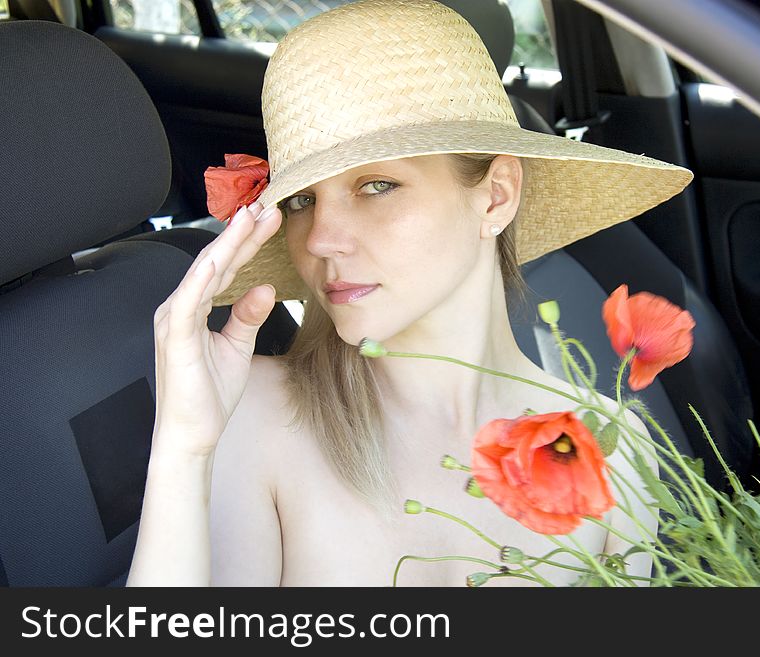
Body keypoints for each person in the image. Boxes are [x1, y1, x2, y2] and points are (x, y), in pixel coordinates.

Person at [126, 0, 693, 587]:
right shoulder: (254, 416)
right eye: (300, 200)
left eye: (376, 185)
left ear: (495, 196)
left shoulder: (611, 446)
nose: (320, 238)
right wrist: (183, 452)